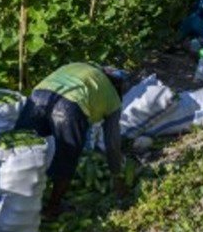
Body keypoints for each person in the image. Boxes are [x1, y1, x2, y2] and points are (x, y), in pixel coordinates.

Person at [14, 62, 130, 217]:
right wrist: (116, 174)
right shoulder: (113, 98)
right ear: (119, 87)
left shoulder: (80, 66)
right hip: (69, 107)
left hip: (38, 96)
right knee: (66, 156)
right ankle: (53, 206)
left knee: (19, 149)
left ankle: (13, 200)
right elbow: (112, 143)